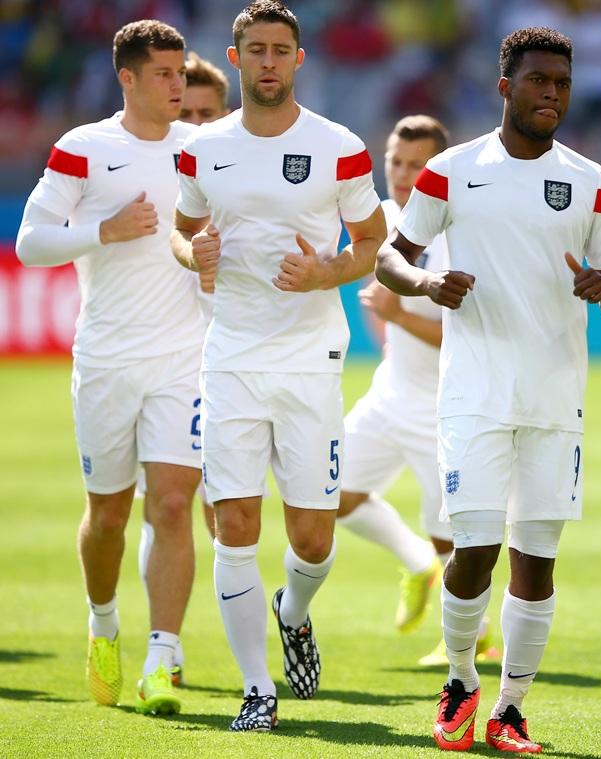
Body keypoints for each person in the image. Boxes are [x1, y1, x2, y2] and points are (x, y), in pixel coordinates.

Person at [375, 26, 601, 754]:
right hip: (475, 393)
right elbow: (390, 257)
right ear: (505, 88)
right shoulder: (452, 171)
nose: (551, 93)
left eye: (561, 82)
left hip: (556, 397)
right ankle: (460, 679)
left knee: (538, 560)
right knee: (475, 550)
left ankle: (510, 708)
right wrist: (428, 280)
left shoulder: (593, 180)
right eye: (538, 81)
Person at [170, 0, 386, 733]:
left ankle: (292, 611)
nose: (268, 61)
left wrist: (327, 273)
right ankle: (257, 687)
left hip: (308, 357)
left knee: (313, 539)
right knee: (234, 521)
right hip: (229, 354)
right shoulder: (203, 149)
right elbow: (183, 229)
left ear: (299, 60)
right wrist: (189, 253)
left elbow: (371, 241)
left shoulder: (340, 147)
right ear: (235, 60)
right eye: (255, 49)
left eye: (280, 50)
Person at [15, 20, 207, 716]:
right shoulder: (84, 149)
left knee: (176, 502)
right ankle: (102, 623)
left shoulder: (202, 149)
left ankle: (164, 657)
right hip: (105, 358)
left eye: (181, 71)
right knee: (108, 515)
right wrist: (104, 230)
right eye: (163, 72)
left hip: (183, 359)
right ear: (127, 78)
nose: (177, 83)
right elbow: (31, 241)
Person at [338, 114, 497, 665]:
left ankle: (477, 637)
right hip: (390, 393)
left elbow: (462, 329)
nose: (402, 175)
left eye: (416, 164)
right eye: (395, 162)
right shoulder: (382, 219)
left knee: (450, 537)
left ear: (438, 168)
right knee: (328, 493)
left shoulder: (458, 231)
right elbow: (373, 295)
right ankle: (416, 565)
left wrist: (398, 319)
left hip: (442, 407)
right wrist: (388, 333)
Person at [135, 48, 232, 685]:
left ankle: (248, 631)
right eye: (185, 112)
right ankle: (165, 643)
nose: (194, 125)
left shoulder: (244, 173)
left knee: (222, 514)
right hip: (168, 364)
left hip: (235, 362)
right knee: (169, 505)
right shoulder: (145, 172)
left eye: (207, 113)